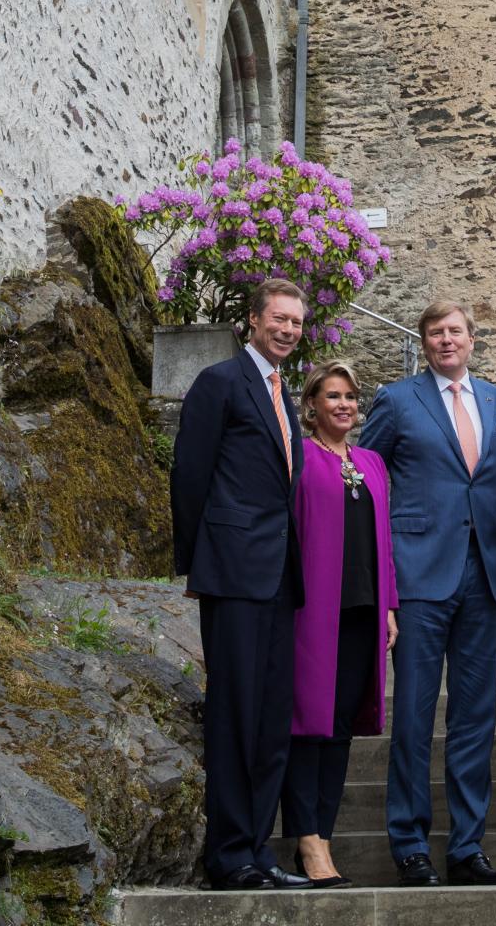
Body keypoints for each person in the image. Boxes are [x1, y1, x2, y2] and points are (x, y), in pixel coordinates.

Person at [359, 300, 496, 887]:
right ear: (424, 343)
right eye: (434, 333)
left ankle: (468, 847)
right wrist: (382, 582)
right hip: (419, 576)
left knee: (477, 718)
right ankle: (410, 844)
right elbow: (368, 483)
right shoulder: (398, 400)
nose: (445, 340)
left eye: (454, 332)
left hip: (485, 575)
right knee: (415, 716)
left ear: (472, 339)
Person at [170, 278, 312, 892]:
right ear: (251, 322)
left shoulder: (286, 398)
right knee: (234, 716)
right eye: (277, 319)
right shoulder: (221, 383)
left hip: (280, 574)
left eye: (297, 323)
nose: (287, 330)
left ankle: (258, 847)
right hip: (233, 571)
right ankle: (229, 856)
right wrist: (198, 566)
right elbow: (190, 474)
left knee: (271, 719)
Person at [281, 361, 400, 887]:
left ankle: (323, 836)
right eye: (333, 396)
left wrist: (391, 606)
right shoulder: (299, 457)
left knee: (341, 732)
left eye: (351, 396)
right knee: (310, 727)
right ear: (312, 407)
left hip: (364, 614)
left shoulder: (372, 462)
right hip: (312, 612)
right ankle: (306, 840)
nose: (345, 405)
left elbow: (385, 542)